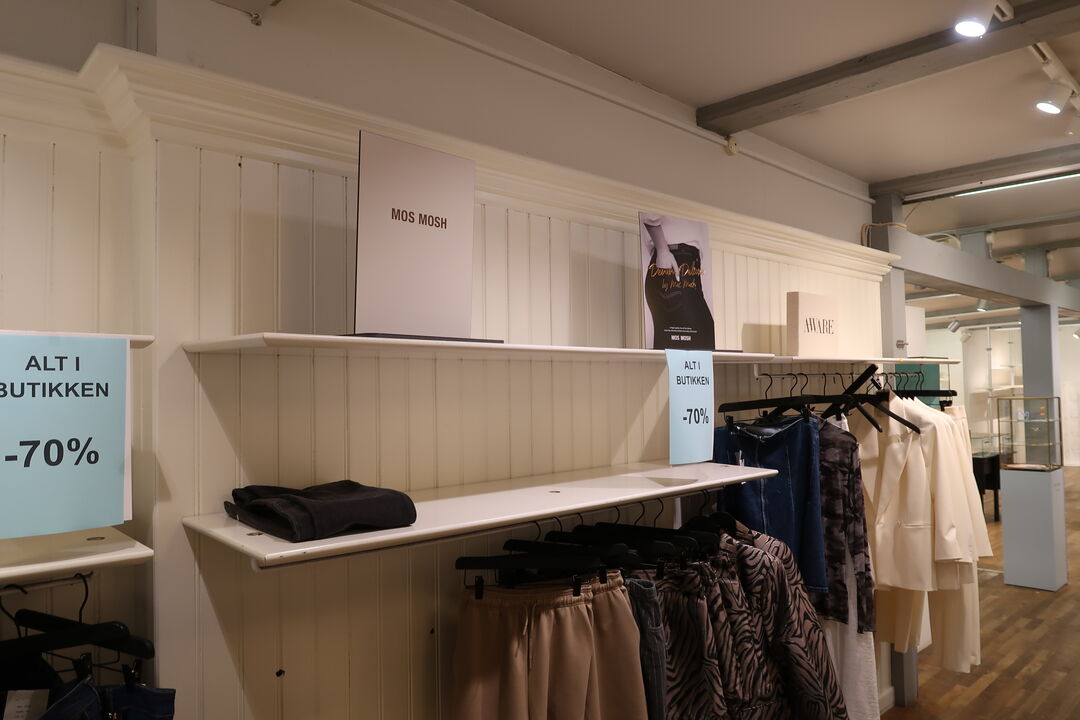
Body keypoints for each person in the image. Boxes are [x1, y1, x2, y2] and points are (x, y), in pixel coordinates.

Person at [640, 213, 715, 350]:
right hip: (674, 261)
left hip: (685, 264)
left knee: (700, 342)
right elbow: (649, 213)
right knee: (695, 343)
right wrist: (662, 250)